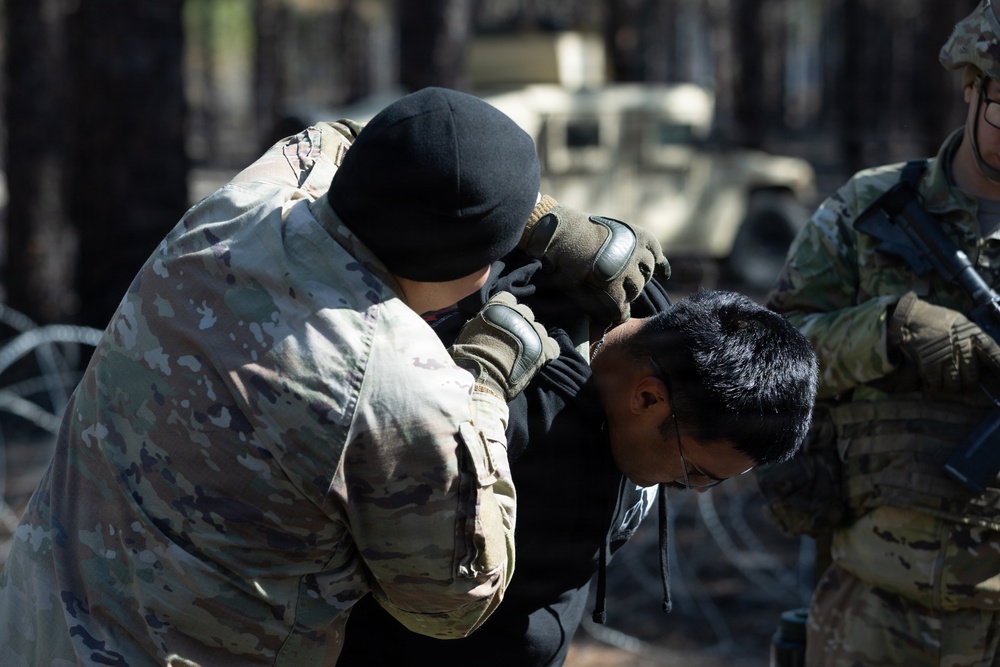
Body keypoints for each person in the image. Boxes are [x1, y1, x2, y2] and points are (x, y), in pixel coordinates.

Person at [0, 87, 667, 666]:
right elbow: (452, 603)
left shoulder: (250, 203)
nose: (496, 271)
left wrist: (541, 221)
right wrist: (483, 384)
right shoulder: (397, 380)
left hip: (43, 613)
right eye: (490, 254)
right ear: (458, 264)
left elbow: (352, 140)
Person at [337, 232, 819, 667]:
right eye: (693, 471)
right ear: (647, 398)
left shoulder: (640, 311)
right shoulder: (507, 427)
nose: (688, 489)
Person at [763, 2, 1000, 664]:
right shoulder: (868, 213)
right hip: (876, 611)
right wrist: (886, 332)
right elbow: (769, 358)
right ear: (971, 86)